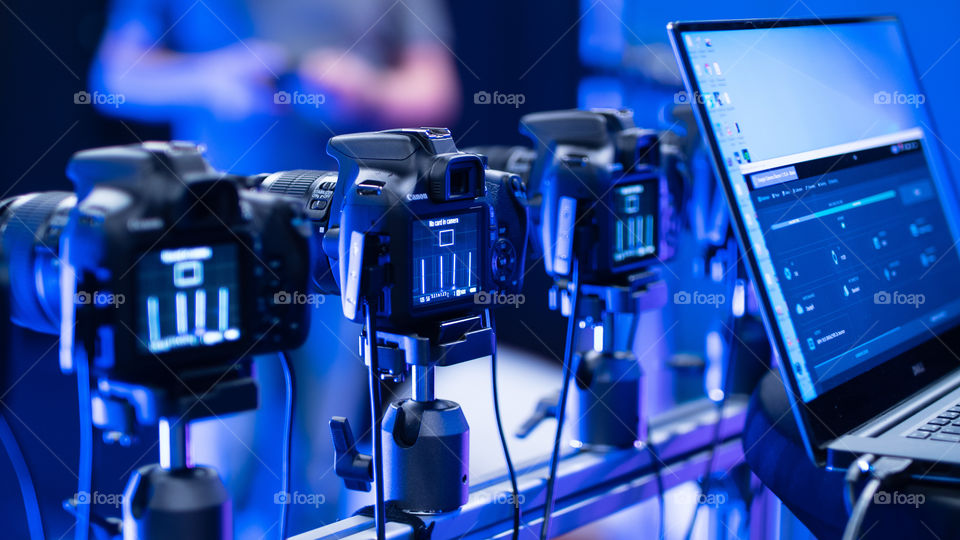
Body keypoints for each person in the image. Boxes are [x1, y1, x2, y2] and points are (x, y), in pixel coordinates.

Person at [89, 1, 461, 537]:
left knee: (316, 454)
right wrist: (211, 77)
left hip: (341, 240)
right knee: (220, 451)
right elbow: (114, 77)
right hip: (213, 239)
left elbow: (436, 90)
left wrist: (364, 91)